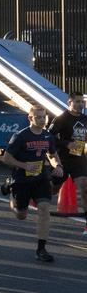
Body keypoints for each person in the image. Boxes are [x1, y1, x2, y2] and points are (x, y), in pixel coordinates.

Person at [2, 105, 63, 262]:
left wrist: (58, 166)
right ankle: (11, 192)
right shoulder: (21, 136)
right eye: (39, 117)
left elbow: (52, 154)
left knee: (44, 209)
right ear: (30, 118)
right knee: (21, 215)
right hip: (21, 179)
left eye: (44, 117)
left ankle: (41, 249)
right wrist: (24, 165)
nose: (42, 120)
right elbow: (6, 158)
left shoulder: (47, 136)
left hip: (40, 178)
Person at [48, 91, 87, 235]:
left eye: (82, 101)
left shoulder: (85, 118)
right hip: (63, 159)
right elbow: (48, 136)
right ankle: (37, 196)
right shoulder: (62, 118)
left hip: (79, 159)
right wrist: (66, 144)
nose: (80, 104)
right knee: (53, 189)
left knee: (84, 187)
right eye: (77, 101)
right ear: (69, 102)